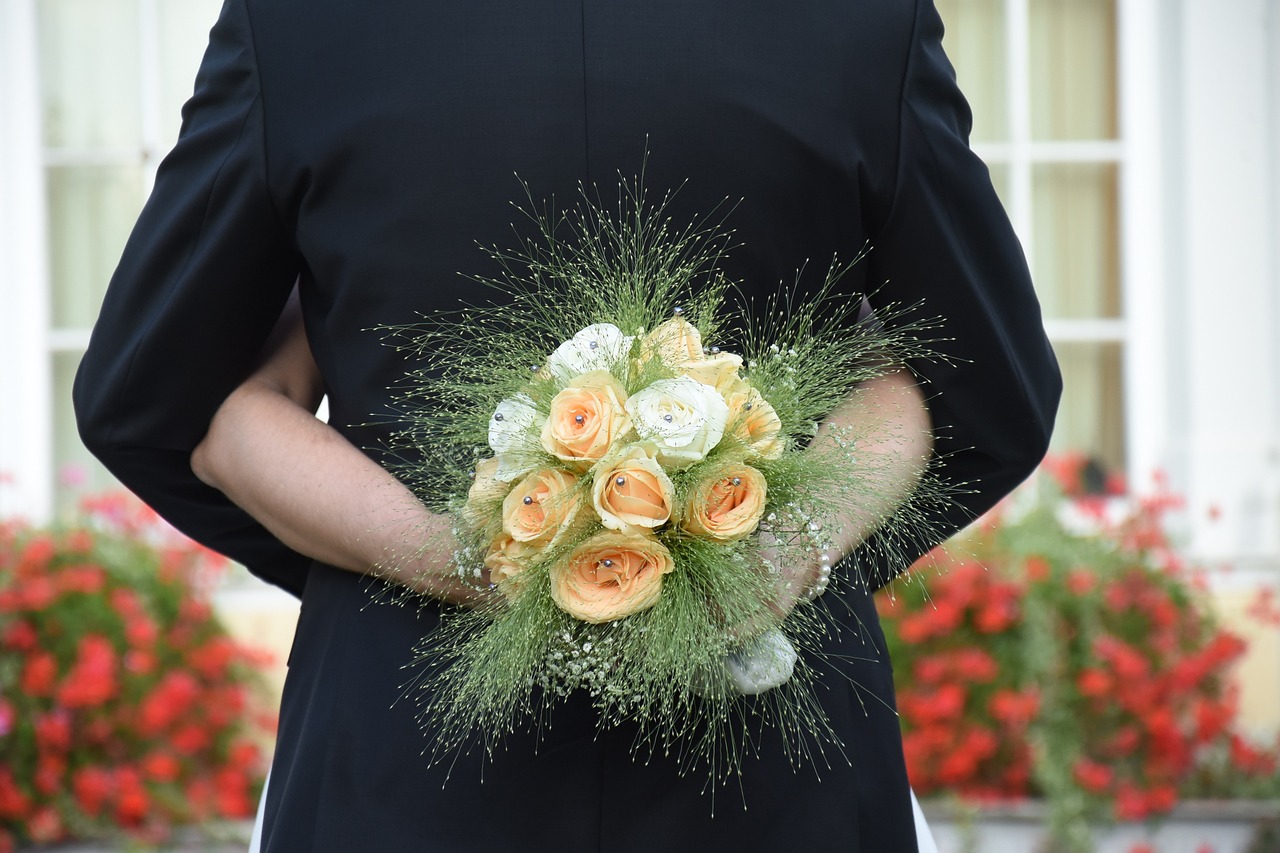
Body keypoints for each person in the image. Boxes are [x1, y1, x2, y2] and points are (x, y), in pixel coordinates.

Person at [74, 0, 1061, 848]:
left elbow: (150, 393)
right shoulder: (859, 18)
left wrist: (431, 563)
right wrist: (775, 559)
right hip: (774, 761)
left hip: (398, 755)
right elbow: (987, 386)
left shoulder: (299, 23)